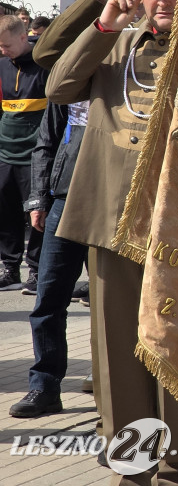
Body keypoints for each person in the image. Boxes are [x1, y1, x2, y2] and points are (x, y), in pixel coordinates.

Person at [35, 0, 178, 483]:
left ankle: (177, 468)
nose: (163, 1)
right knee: (118, 355)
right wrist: (103, 18)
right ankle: (133, 467)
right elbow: (57, 84)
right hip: (109, 217)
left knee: (173, 350)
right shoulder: (116, 43)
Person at [8, 100, 90, 418]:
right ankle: (44, 387)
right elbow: (46, 142)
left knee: (115, 302)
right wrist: (39, 197)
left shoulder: (128, 75)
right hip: (64, 198)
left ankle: (120, 387)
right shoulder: (70, 79)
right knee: (48, 301)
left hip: (118, 200)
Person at [0, 14, 47, 292]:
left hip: (34, 156)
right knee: (6, 214)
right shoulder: (2, 65)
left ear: (23, 36)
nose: (3, 51)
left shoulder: (44, 65)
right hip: (5, 152)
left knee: (36, 213)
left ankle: (37, 272)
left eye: (7, 46)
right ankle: (10, 268)